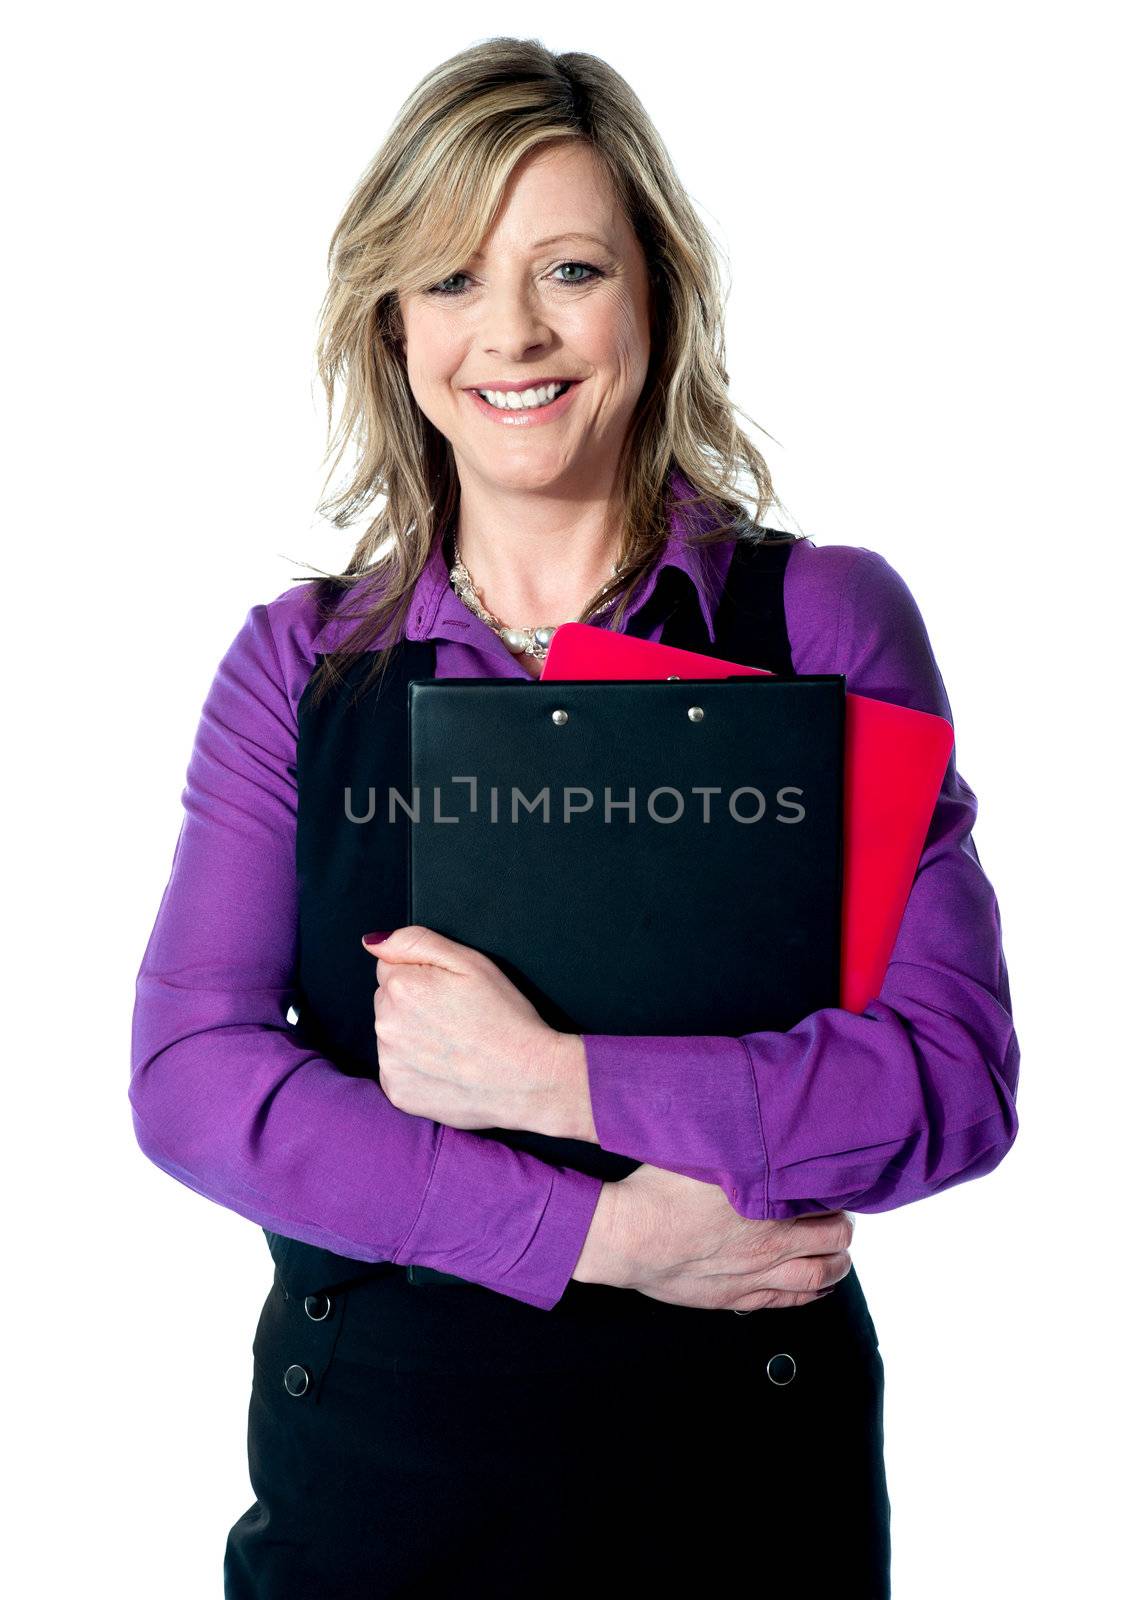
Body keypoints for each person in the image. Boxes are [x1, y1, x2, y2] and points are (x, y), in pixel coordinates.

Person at [128, 37, 1020, 1599]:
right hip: (377, 1498)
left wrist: (557, 1080)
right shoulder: (304, 664)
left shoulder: (815, 624)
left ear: (655, 298)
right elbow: (193, 1080)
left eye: (568, 268)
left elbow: (946, 1083)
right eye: (452, 279)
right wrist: (598, 1239)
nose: (512, 334)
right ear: (388, 320)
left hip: (740, 1501)